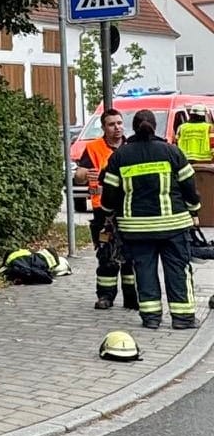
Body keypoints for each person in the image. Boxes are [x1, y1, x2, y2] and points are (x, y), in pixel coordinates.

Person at [100, 108, 202, 329]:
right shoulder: (172, 152)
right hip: (174, 226)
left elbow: (108, 195)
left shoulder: (120, 156)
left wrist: (109, 214)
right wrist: (194, 210)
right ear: (154, 126)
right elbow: (190, 188)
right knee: (177, 269)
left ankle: (151, 318)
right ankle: (183, 318)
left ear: (132, 127)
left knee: (144, 270)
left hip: (136, 229)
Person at [74, 108, 136, 310]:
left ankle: (132, 298)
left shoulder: (131, 146)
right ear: (103, 127)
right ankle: (105, 296)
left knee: (131, 257)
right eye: (112, 124)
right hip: (103, 209)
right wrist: (85, 174)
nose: (117, 128)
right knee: (106, 255)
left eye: (119, 123)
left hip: (129, 209)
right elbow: (80, 175)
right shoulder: (94, 148)